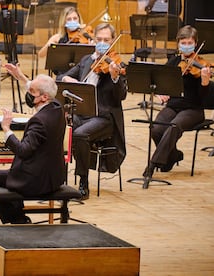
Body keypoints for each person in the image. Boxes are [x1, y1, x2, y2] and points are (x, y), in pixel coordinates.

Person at [0, 73, 66, 224]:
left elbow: (23, 151)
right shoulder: (58, 109)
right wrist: (21, 76)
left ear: (44, 97)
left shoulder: (39, 121)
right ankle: (17, 211)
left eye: (32, 92)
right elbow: (43, 89)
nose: (28, 94)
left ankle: (18, 220)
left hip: (35, 180)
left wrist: (6, 128)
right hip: (54, 177)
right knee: (5, 175)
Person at [56, 23, 127, 200]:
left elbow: (121, 96)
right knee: (58, 127)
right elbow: (61, 77)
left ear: (112, 42)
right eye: (99, 39)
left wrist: (114, 77)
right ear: (94, 39)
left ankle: (83, 182)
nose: (102, 43)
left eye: (106, 40)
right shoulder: (87, 60)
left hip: (104, 118)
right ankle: (57, 177)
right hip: (82, 114)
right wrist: (68, 79)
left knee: (79, 135)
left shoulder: (117, 64)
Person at [143, 25, 211, 178]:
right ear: (178, 43)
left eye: (190, 43)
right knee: (156, 129)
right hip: (173, 106)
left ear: (195, 43)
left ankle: (152, 164)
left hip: (193, 110)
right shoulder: (173, 62)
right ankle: (173, 155)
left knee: (174, 126)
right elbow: (161, 83)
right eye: (183, 42)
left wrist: (205, 81)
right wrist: (160, 93)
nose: (186, 46)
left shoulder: (202, 65)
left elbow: (203, 97)